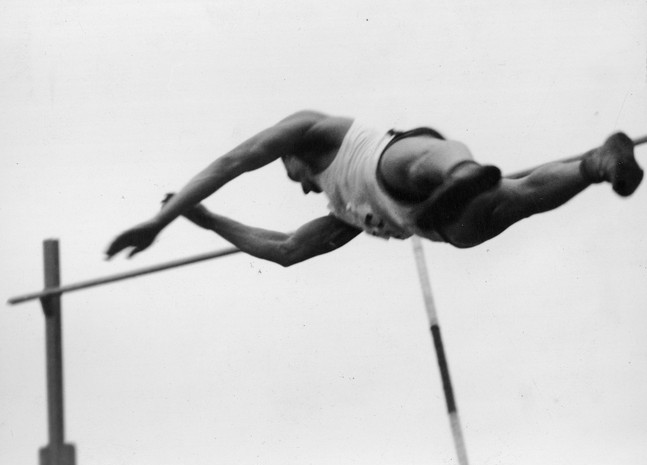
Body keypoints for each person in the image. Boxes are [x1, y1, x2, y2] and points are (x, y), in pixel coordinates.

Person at [105, 110, 643, 265]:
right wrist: (209, 221)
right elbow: (286, 250)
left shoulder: (312, 132)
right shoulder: (344, 214)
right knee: (519, 197)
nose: (298, 186)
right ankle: (598, 164)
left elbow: (234, 159)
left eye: (288, 173)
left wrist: (164, 218)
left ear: (291, 156)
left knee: (417, 160)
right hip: (437, 220)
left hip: (392, 162)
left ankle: (459, 176)